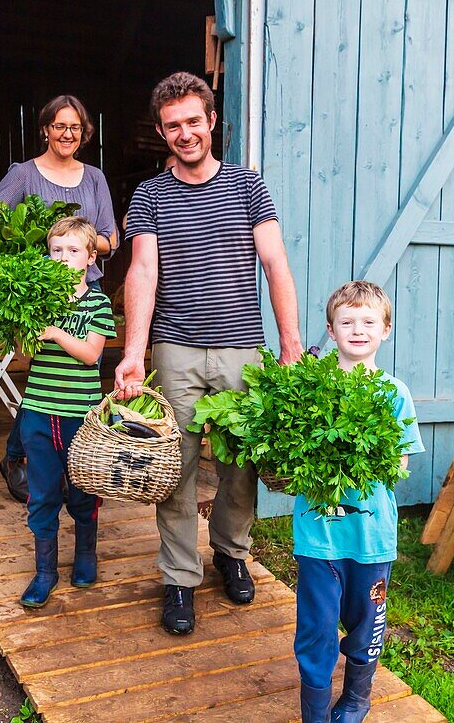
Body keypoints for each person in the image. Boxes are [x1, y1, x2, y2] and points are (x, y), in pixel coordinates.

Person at [114, 72, 304, 635]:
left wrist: (290, 345)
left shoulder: (249, 186)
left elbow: (275, 263)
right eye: (173, 126)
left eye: (194, 121)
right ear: (161, 132)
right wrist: (133, 352)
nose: (185, 133)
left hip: (242, 348)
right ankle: (179, 578)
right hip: (175, 350)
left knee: (239, 466)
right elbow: (142, 273)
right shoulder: (149, 194)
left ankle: (230, 552)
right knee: (174, 468)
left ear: (211, 121)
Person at [292, 281, 424, 723]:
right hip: (317, 535)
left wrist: (360, 456)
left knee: (366, 623)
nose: (358, 329)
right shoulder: (312, 389)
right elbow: (290, 451)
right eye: (347, 322)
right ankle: (313, 710)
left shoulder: (394, 393)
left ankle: (354, 700)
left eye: (369, 321)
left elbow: (399, 462)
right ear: (331, 331)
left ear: (386, 329)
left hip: (372, 536)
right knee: (315, 628)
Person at [0, 95, 119, 504]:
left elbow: (111, 238)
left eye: (75, 128)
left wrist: (71, 238)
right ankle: (19, 455)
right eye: (59, 126)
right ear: (45, 129)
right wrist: (36, 248)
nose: (67, 134)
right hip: (39, 291)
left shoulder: (95, 178)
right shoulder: (24, 175)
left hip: (86, 288)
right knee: (45, 376)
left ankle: (73, 464)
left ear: (84, 134)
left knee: (81, 378)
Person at [17, 216, 116, 608]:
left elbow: (92, 354)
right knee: (41, 493)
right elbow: (26, 355)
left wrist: (56, 332)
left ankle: (86, 556)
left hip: (81, 416)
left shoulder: (98, 302)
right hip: (39, 412)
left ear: (90, 257)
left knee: (82, 490)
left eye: (73, 251)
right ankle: (45, 571)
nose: (63, 258)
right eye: (56, 250)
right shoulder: (38, 299)